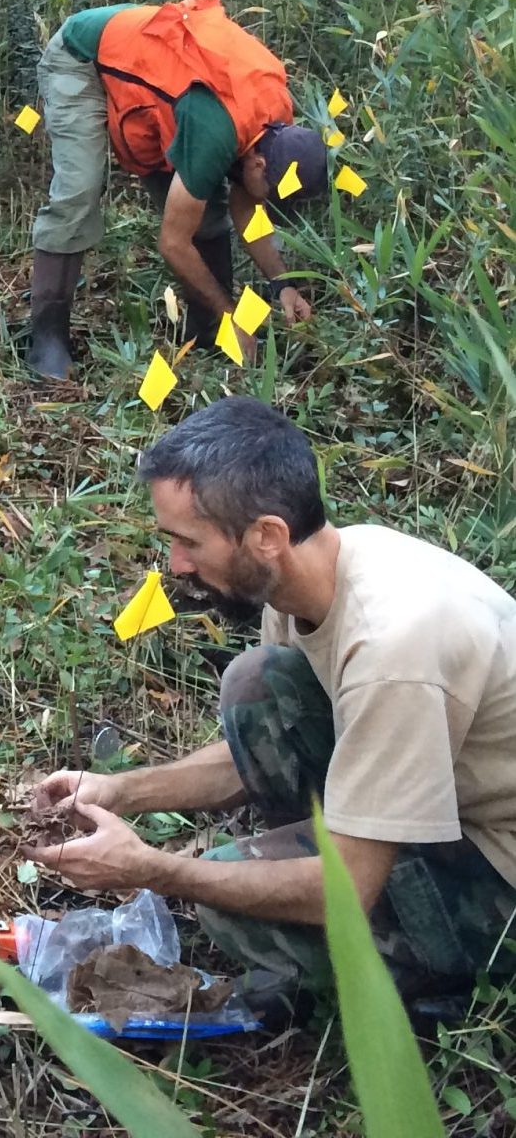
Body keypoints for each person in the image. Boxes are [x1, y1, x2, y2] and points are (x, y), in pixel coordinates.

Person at [27, 397, 516, 1009]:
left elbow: (342, 891)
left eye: (188, 542)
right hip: (441, 799)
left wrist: (152, 867)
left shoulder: (393, 647)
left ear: (267, 536)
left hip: (499, 869)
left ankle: (446, 989)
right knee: (257, 683)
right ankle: (331, 854)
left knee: (231, 913)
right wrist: (117, 791)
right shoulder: (317, 575)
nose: (176, 564)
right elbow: (245, 754)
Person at [26, 0, 330, 379]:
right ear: (260, 162)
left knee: (205, 209)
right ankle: (46, 340)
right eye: (269, 189)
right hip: (86, 54)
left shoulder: (275, 118)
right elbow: (172, 242)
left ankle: (206, 335)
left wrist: (282, 284)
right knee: (79, 192)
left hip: (153, 68)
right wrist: (231, 315)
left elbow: (246, 204)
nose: (263, 198)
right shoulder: (216, 130)